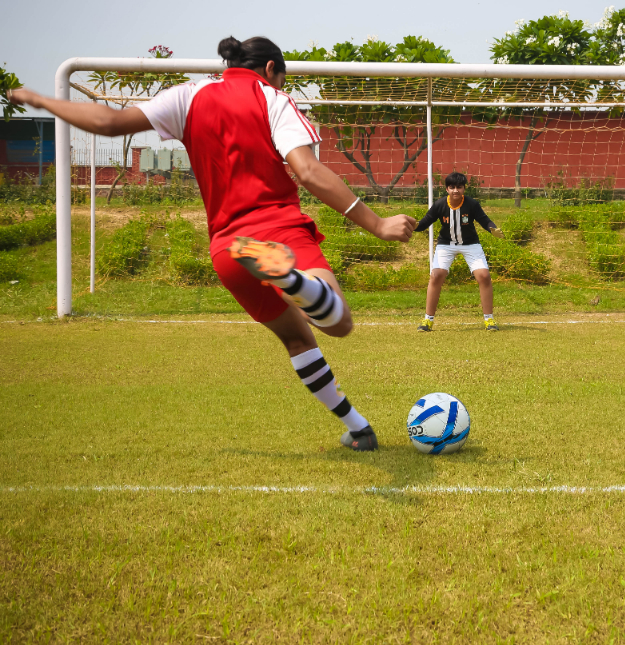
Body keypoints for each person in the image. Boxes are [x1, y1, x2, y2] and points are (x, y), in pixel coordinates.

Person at [7, 36, 417, 452]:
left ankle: (359, 429)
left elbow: (109, 123)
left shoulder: (189, 95)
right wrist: (378, 224)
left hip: (229, 249)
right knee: (338, 322)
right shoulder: (272, 98)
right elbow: (308, 171)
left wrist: (43, 100)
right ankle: (293, 279)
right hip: (277, 229)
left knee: (297, 339)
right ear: (272, 69)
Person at [414, 172, 504, 332]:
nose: (456, 190)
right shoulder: (440, 205)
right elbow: (424, 222)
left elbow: (484, 220)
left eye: (459, 187)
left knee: (484, 276)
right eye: (452, 187)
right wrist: (410, 225)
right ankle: (427, 320)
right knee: (436, 276)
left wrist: (493, 228)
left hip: (471, 244)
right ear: (447, 189)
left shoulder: (472, 204)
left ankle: (489, 320)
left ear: (464, 188)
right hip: (446, 244)